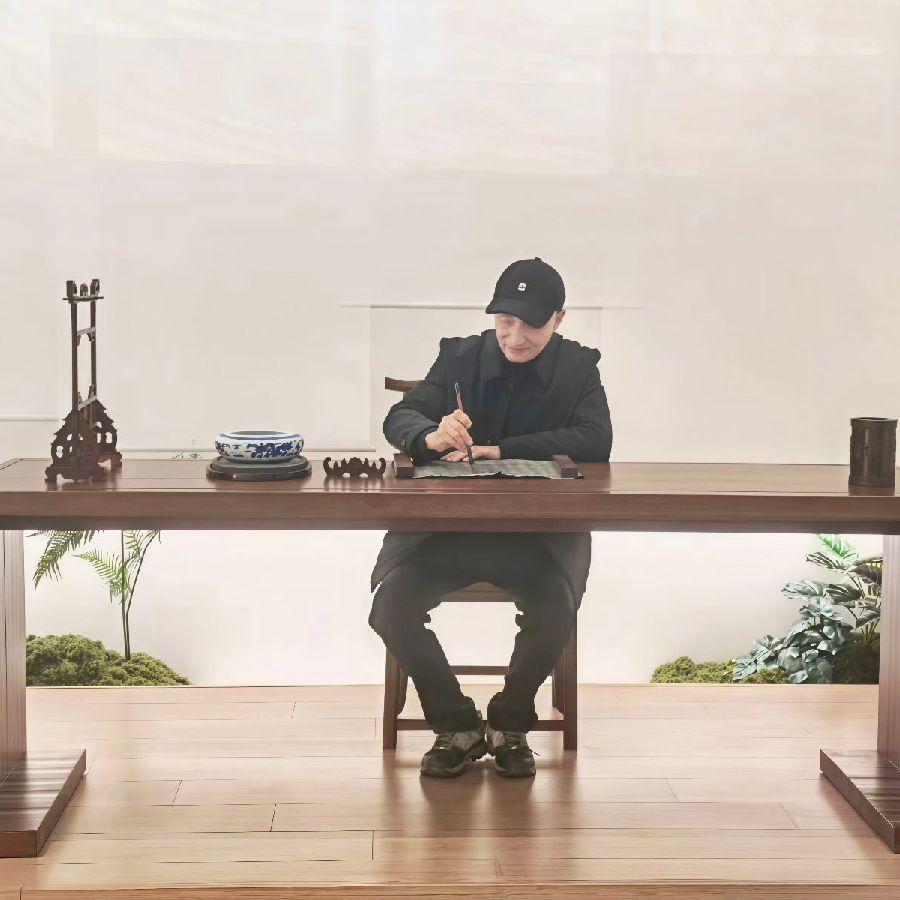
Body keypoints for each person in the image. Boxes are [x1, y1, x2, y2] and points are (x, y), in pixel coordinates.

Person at [368, 257, 612, 778]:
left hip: (537, 537)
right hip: (444, 532)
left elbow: (596, 440)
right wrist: (429, 436)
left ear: (559, 318)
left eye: (532, 324)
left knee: (555, 607)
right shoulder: (460, 356)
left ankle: (508, 723)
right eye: (505, 321)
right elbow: (399, 417)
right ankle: (456, 725)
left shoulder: (577, 367)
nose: (515, 337)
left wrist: (501, 449)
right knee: (391, 607)